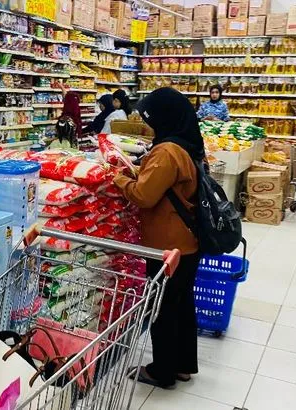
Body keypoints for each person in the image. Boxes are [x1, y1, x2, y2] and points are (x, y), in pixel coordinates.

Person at [114, 87, 203, 389]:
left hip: (167, 245)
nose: (147, 124)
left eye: (150, 117)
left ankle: (162, 371)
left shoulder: (167, 151)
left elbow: (144, 196)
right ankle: (182, 366)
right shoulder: (187, 144)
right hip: (187, 243)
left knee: (162, 308)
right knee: (182, 304)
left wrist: (119, 178)